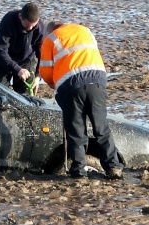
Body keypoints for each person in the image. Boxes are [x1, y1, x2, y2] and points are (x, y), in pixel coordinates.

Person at [38, 21, 125, 180]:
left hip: (71, 86)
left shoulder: (50, 39)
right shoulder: (85, 30)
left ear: (50, 31)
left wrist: (53, 83)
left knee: (76, 131)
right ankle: (113, 167)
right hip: (97, 81)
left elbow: (45, 71)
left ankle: (78, 171)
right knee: (101, 127)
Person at [0, 2, 44, 95]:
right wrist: (17, 69)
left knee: (25, 96)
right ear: (20, 17)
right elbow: (0, 50)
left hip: (26, 61)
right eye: (27, 26)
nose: (30, 29)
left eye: (33, 26)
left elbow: (43, 55)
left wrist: (38, 76)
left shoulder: (40, 28)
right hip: (3, 61)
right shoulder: (8, 21)